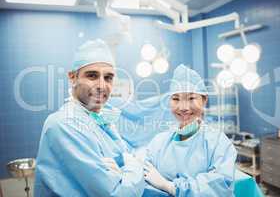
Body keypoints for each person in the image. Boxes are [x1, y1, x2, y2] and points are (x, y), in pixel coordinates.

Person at [34, 39, 145, 197]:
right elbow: (117, 193)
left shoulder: (99, 119)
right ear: (72, 78)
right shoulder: (64, 125)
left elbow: (124, 155)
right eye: (92, 76)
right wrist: (135, 166)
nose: (101, 85)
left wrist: (122, 171)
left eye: (108, 78)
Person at [142, 64, 237, 197]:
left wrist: (170, 187)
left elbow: (220, 186)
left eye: (191, 98)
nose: (183, 107)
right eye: (176, 99)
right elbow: (142, 175)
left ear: (204, 100)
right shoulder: (159, 142)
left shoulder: (218, 143)